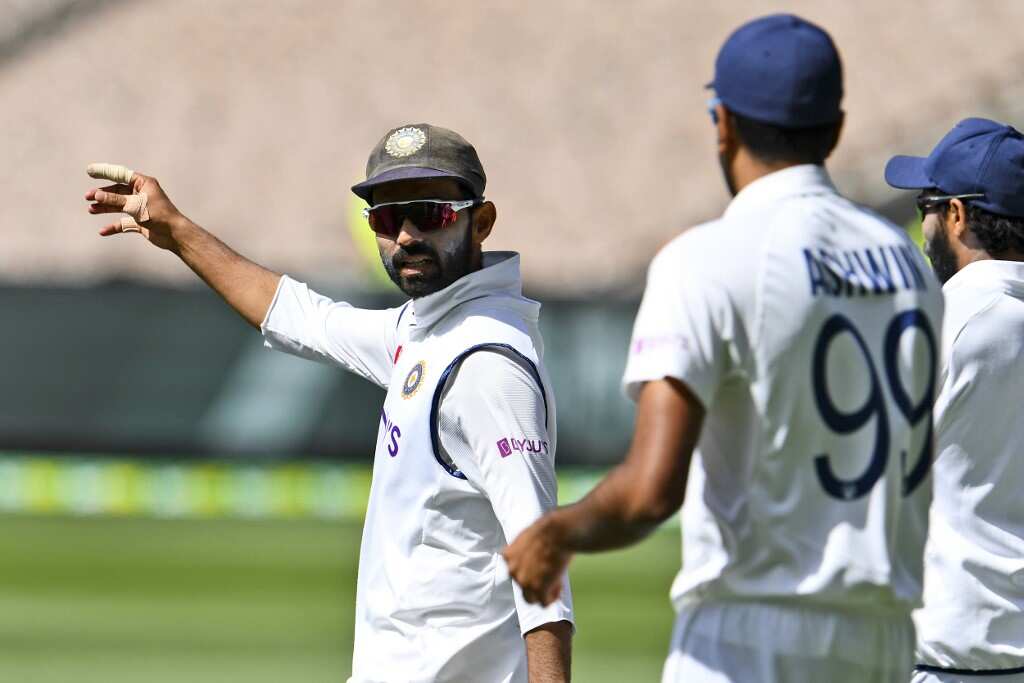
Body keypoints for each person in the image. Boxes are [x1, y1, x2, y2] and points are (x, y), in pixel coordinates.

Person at [504, 14, 943, 683]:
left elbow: (650, 492)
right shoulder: (907, 263)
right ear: (835, 128)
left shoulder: (706, 258)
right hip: (882, 639)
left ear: (724, 123)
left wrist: (557, 531)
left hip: (747, 638)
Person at [83, 123, 573, 683]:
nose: (407, 236)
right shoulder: (428, 331)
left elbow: (541, 557)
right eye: (388, 219)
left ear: (479, 222)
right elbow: (301, 317)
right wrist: (176, 230)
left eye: (429, 214)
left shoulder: (487, 366)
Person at [885, 118, 1024, 683]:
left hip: (944, 656)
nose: (924, 224)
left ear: (960, 214)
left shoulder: (941, 320)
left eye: (928, 205)